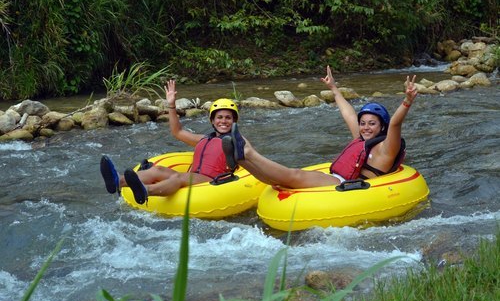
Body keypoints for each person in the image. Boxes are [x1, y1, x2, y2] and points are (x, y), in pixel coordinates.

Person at [222, 66, 418, 188]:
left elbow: (395, 123)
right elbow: (348, 113)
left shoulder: (387, 149)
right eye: (363, 123)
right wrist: (334, 88)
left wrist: (407, 101)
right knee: (281, 180)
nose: (365, 128)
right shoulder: (362, 138)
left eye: (372, 124)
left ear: (382, 127)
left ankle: (249, 152)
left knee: (294, 175)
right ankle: (242, 159)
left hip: (344, 185)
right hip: (337, 179)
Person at [100, 79, 240, 204]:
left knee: (179, 177)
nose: (223, 121)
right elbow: (177, 132)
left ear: (234, 121)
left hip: (211, 181)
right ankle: (118, 181)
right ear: (212, 121)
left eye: (228, 118)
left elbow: (247, 155)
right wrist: (171, 105)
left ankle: (146, 191)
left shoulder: (237, 140)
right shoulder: (203, 139)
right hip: (195, 176)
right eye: (219, 117)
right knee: (158, 170)